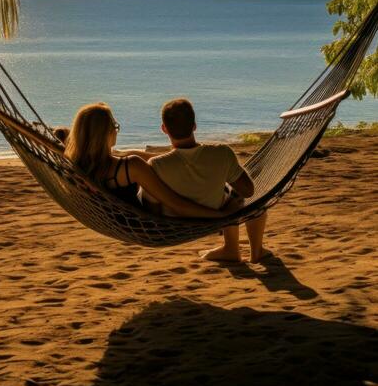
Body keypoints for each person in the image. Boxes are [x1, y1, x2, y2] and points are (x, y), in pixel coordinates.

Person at [64, 102, 243, 219]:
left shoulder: (75, 166)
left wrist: (176, 155)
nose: (117, 130)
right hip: (148, 226)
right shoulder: (133, 166)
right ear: (106, 133)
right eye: (115, 126)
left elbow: (121, 158)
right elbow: (176, 204)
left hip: (111, 220)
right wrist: (221, 215)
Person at [146, 98, 268, 263]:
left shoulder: (156, 165)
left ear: (164, 129)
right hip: (217, 217)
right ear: (194, 125)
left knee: (230, 194)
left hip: (175, 224)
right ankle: (254, 251)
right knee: (246, 196)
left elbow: (151, 206)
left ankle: (231, 250)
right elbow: (249, 190)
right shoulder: (222, 153)